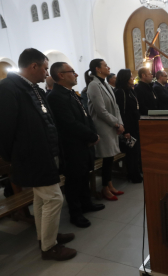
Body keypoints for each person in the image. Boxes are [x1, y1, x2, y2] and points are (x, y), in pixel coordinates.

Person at [0, 48, 76, 261]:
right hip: (31, 156)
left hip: (43, 153)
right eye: (45, 68)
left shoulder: (33, 88)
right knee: (54, 198)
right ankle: (49, 247)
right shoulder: (7, 88)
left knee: (41, 199)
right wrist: (14, 155)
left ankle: (46, 237)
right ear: (33, 66)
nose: (47, 73)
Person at [47, 62, 105, 228]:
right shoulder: (55, 97)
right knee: (73, 181)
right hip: (71, 146)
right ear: (61, 75)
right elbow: (69, 123)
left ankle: (86, 203)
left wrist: (93, 133)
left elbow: (86, 117)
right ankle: (75, 213)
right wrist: (91, 135)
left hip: (84, 143)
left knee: (84, 175)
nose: (76, 74)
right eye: (72, 72)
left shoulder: (71, 93)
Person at [86, 59, 125, 200]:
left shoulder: (106, 84)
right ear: (98, 69)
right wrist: (116, 124)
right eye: (105, 65)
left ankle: (109, 185)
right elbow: (100, 111)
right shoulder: (93, 85)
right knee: (106, 158)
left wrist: (120, 123)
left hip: (112, 125)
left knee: (110, 158)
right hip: (103, 126)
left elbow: (115, 107)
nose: (108, 67)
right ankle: (104, 188)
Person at [115, 69, 143, 183]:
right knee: (132, 152)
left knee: (136, 151)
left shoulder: (131, 90)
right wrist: (126, 130)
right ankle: (133, 175)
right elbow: (122, 112)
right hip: (128, 127)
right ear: (125, 79)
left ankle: (137, 171)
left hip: (135, 125)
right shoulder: (120, 92)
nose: (133, 79)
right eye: (131, 77)